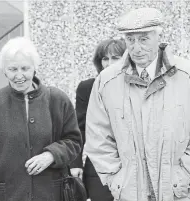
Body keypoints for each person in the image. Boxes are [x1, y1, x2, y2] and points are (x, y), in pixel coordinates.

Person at [85, 8, 190, 201]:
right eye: (130, 40)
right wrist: (118, 179)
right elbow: (98, 139)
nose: (136, 47)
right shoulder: (106, 82)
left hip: (181, 194)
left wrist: (185, 175)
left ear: (158, 37)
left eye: (143, 39)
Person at [0, 37, 82, 201]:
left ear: (35, 68)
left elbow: (74, 141)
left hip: (50, 193)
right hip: (7, 195)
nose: (19, 75)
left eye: (25, 68)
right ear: (4, 70)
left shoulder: (57, 99)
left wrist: (51, 155)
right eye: (12, 69)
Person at [70, 39, 126, 201]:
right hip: (97, 167)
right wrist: (75, 164)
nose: (109, 63)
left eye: (115, 58)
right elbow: (79, 129)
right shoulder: (87, 88)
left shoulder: (136, 87)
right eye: (105, 58)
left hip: (131, 167)